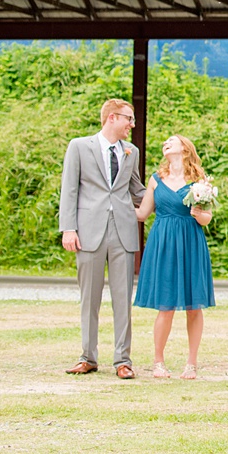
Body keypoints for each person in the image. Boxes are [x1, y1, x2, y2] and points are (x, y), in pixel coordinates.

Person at [58, 98, 145, 378]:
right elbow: (69, 189)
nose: (132, 125)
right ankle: (88, 356)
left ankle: (123, 360)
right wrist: (68, 228)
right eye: (128, 119)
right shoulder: (79, 146)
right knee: (90, 298)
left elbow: (138, 191)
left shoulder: (132, 151)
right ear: (112, 118)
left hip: (123, 231)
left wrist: (175, 194)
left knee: (123, 298)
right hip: (88, 231)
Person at [132, 134, 216, 380]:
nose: (166, 143)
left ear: (185, 149)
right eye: (165, 142)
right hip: (164, 241)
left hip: (190, 240)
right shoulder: (156, 180)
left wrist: (198, 212)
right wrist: (113, 201)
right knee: (165, 305)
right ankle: (158, 362)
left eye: (172, 140)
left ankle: (191, 364)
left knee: (194, 305)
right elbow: (142, 214)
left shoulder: (199, 181)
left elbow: (207, 219)